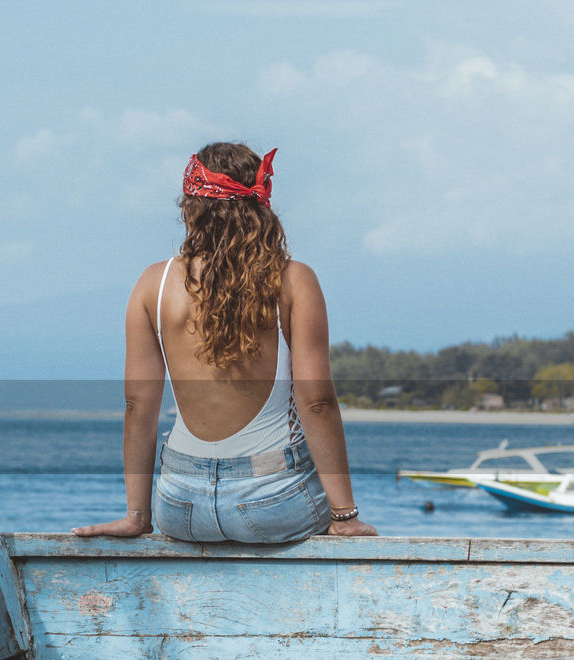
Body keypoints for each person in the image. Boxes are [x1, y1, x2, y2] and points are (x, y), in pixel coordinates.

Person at [73, 142, 376, 541]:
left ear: (190, 207)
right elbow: (316, 401)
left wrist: (137, 515)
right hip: (271, 503)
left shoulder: (153, 284)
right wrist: (344, 514)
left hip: (181, 507)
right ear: (260, 207)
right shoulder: (293, 281)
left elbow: (137, 406)